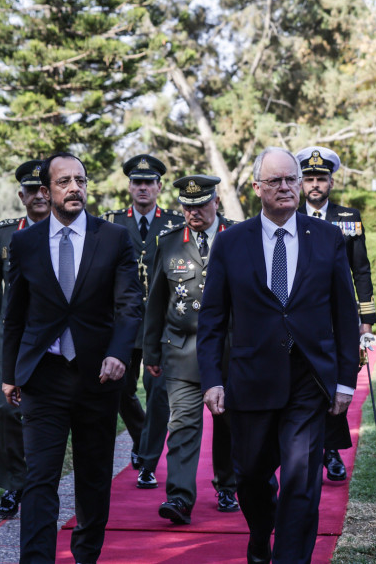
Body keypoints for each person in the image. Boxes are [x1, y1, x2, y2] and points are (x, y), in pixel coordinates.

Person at [196, 147, 360, 564]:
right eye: (275, 181)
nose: (286, 187)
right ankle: (259, 534)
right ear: (257, 189)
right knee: (250, 476)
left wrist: (344, 382)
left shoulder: (327, 238)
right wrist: (212, 379)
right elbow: (213, 319)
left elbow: (345, 314)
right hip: (251, 380)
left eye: (292, 179)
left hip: (309, 379)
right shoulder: (231, 243)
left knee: (302, 481)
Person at [2, 152, 143, 564]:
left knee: (93, 478)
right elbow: (14, 315)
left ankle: (86, 556)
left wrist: (119, 354)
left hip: (96, 378)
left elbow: (130, 306)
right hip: (43, 377)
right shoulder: (25, 242)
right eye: (64, 182)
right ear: (46, 191)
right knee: (40, 478)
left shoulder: (113, 238)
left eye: (80, 180)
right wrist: (9, 374)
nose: (74, 188)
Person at [142, 174, 238, 525]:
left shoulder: (239, 236)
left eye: (200, 204)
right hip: (181, 349)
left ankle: (227, 485)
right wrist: (151, 351)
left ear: (216, 202)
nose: (193, 211)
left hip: (229, 350)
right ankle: (180, 499)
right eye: (187, 205)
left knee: (227, 422)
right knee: (182, 423)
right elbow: (156, 301)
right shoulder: (168, 243)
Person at [0, 160, 50, 519]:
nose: (38, 195)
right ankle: (13, 484)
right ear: (21, 196)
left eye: (42, 189)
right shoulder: (4, 234)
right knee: (6, 408)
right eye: (30, 190)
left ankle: (44, 480)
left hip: (57, 335)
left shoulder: (70, 228)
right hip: (13, 335)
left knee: (56, 409)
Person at [102, 154, 184, 479]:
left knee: (158, 390)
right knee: (119, 388)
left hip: (161, 324)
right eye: (137, 182)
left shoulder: (175, 223)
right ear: (129, 186)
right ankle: (141, 439)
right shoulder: (111, 223)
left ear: (159, 187)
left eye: (149, 182)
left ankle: (147, 461)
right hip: (122, 323)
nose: (143, 188)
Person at [296, 145, 374, 482]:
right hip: (297, 318)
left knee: (331, 383)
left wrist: (366, 317)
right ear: (301, 182)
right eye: (309, 178)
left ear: (331, 182)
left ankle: (330, 452)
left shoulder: (348, 219)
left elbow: (362, 270)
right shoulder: (288, 216)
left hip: (336, 318)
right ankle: (302, 449)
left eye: (321, 179)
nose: (315, 184)